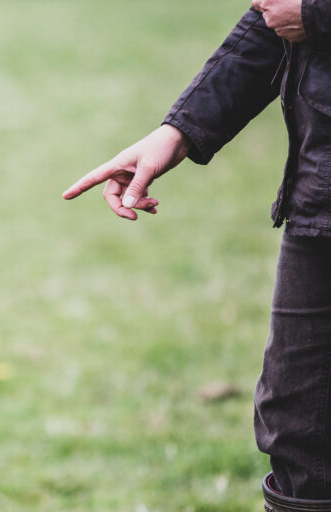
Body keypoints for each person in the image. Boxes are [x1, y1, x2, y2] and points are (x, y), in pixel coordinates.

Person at [62, 0, 331, 509]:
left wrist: (317, 16)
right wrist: (179, 130)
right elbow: (275, 16)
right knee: (300, 428)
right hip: (322, 193)